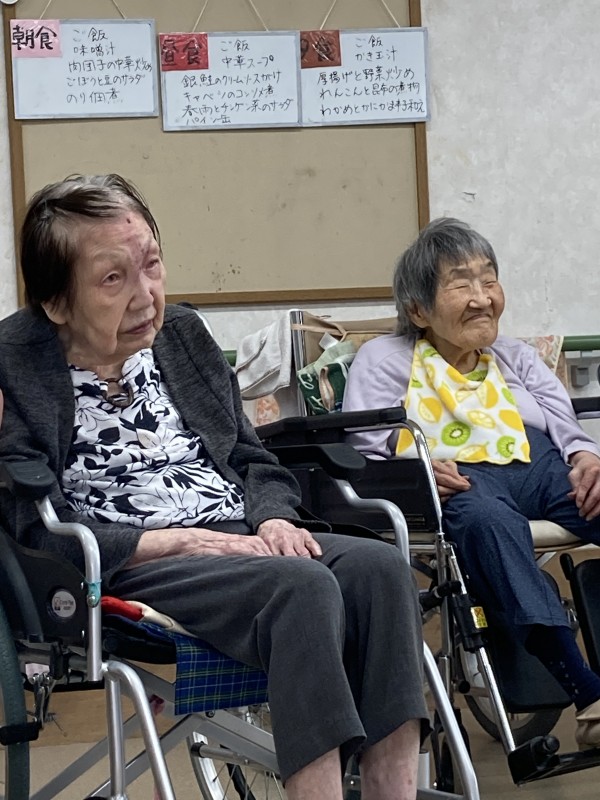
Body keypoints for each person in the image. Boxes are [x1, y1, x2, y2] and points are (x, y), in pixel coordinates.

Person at [0, 174, 428, 800]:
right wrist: (179, 542)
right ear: (56, 303)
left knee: (381, 570)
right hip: (129, 562)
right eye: (113, 278)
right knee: (302, 586)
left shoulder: (183, 337)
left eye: (152, 264)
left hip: (239, 537)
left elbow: (250, 458)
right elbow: (33, 528)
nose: (146, 296)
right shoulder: (15, 364)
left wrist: (275, 518)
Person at [343, 216, 600, 750]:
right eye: (462, 284)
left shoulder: (515, 356)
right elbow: (364, 446)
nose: (483, 298)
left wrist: (586, 458)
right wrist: (412, 469)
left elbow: (565, 426)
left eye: (489, 279)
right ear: (418, 310)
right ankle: (588, 695)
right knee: (488, 524)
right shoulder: (383, 360)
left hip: (538, 465)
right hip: (457, 480)